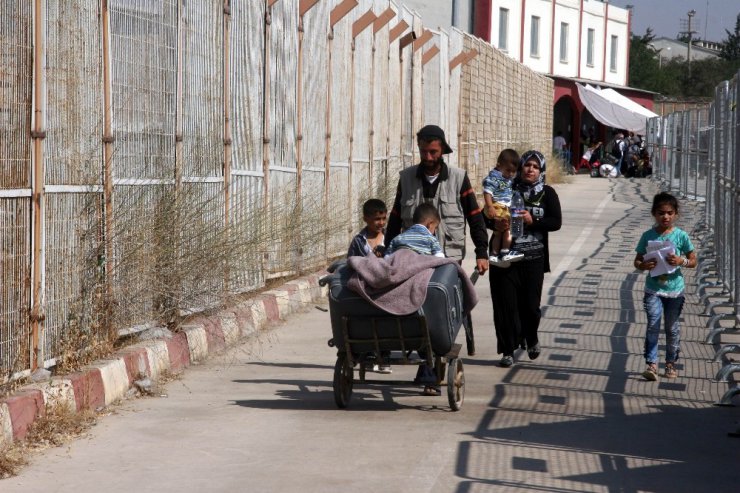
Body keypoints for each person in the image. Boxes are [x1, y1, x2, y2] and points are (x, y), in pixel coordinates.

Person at [487, 150, 562, 367]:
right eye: (527, 165)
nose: (530, 169)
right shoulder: (506, 188)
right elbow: (488, 214)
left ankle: (531, 337)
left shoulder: (547, 193)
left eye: (535, 166)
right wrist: (496, 223)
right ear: (520, 168)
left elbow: (555, 222)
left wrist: (532, 220)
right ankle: (508, 350)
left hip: (534, 258)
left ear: (541, 171)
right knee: (506, 306)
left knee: (530, 307)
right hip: (506, 258)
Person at [385, 124, 489, 275]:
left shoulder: (458, 178)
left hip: (448, 259)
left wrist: (481, 253)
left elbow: (474, 217)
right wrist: (388, 251)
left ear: (442, 151)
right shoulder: (406, 178)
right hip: (412, 259)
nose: (428, 157)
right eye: (423, 152)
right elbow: (395, 219)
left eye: (433, 152)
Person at [633, 192, 696, 380]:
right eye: (661, 213)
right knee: (653, 324)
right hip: (653, 289)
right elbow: (637, 261)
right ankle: (651, 364)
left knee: (672, 327)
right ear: (654, 213)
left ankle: (670, 363)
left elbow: (693, 260)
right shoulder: (647, 236)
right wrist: (643, 265)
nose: (665, 217)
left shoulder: (681, 236)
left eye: (669, 213)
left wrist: (680, 261)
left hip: (675, 290)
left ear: (675, 214)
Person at [347, 198, 391, 373]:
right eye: (376, 219)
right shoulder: (359, 241)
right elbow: (351, 262)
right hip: (365, 289)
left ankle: (385, 355)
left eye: (383, 219)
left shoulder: (391, 236)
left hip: (387, 288)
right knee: (366, 322)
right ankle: (369, 355)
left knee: (388, 322)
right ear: (365, 219)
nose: (380, 223)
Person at [482, 149, 524, 263]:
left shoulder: (508, 179)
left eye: (513, 171)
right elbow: (487, 192)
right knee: (507, 230)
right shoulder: (495, 177)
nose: (510, 174)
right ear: (498, 165)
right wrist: (490, 206)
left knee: (499, 233)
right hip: (497, 207)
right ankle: (505, 252)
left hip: (504, 207)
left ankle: (495, 254)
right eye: (508, 170)